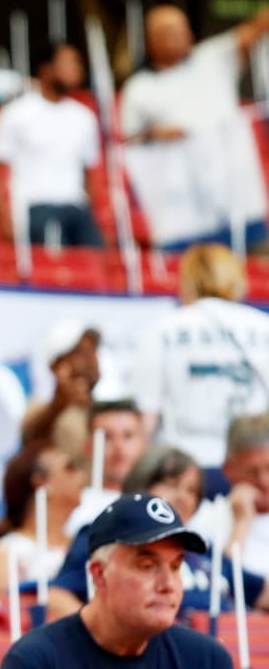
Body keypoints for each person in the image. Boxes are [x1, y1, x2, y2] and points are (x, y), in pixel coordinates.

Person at [1, 493, 231, 668]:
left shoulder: (205, 660)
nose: (168, 584)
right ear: (100, 574)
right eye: (147, 566)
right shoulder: (37, 660)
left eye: (175, 567)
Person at [46, 446, 269, 621]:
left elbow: (260, 593)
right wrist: (98, 642)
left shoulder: (203, 549)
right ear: (142, 485)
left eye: (191, 490)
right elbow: (57, 596)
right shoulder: (106, 534)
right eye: (172, 484)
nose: (182, 496)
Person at [120, 5, 269, 249]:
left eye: (182, 28)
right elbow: (125, 145)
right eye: (168, 30)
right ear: (151, 40)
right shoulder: (138, 88)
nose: (178, 34)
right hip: (181, 216)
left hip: (238, 203)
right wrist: (153, 134)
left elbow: (256, 28)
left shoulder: (212, 57)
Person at [131, 244, 269, 472]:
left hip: (181, 468)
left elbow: (145, 419)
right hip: (252, 467)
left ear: (186, 281)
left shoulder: (160, 329)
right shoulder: (263, 327)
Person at [0, 43, 103, 248]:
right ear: (46, 69)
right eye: (68, 62)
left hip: (77, 207)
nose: (77, 68)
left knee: (98, 261)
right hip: (35, 206)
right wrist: (4, 219)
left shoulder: (85, 117)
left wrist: (91, 210)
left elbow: (88, 174)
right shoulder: (16, 113)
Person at [0, 442, 82, 595]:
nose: (81, 475)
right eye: (70, 469)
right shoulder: (8, 551)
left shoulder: (86, 543)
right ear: (41, 482)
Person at [190, 413, 269, 578]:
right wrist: (241, 524)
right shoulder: (205, 520)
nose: (264, 481)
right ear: (228, 470)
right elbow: (216, 585)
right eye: (252, 471)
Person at [65, 400, 150, 536]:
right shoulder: (70, 507)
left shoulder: (156, 508)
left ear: (145, 445)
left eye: (128, 436)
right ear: (87, 446)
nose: (118, 446)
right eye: (106, 437)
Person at [22, 321, 102, 461]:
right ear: (57, 365)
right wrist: (58, 407)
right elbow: (30, 440)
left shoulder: (106, 411)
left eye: (93, 350)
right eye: (81, 352)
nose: (92, 358)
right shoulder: (38, 407)